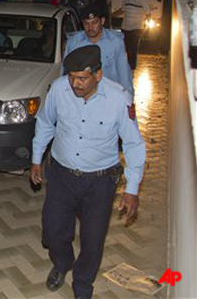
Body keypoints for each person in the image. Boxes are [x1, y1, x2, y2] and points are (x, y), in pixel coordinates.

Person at [30, 45, 146, 299]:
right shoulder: (59, 89)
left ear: (98, 74)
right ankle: (62, 263)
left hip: (100, 182)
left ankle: (83, 285)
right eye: (71, 77)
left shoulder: (119, 98)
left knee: (92, 242)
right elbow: (46, 123)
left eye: (82, 78)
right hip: (61, 176)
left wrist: (132, 187)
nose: (75, 84)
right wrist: (36, 159)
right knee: (52, 231)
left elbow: (134, 143)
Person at [65, 3, 134, 97]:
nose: (90, 27)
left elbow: (124, 74)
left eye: (94, 22)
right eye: (86, 23)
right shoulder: (74, 43)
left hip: (109, 97)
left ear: (102, 21)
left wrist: (129, 99)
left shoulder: (115, 42)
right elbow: (65, 74)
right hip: (82, 98)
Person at [114, 0, 151, 70]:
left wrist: (147, 26)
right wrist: (112, 15)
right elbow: (122, 10)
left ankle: (132, 68)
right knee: (126, 48)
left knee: (133, 49)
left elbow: (148, 13)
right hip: (125, 27)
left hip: (136, 28)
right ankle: (126, 66)